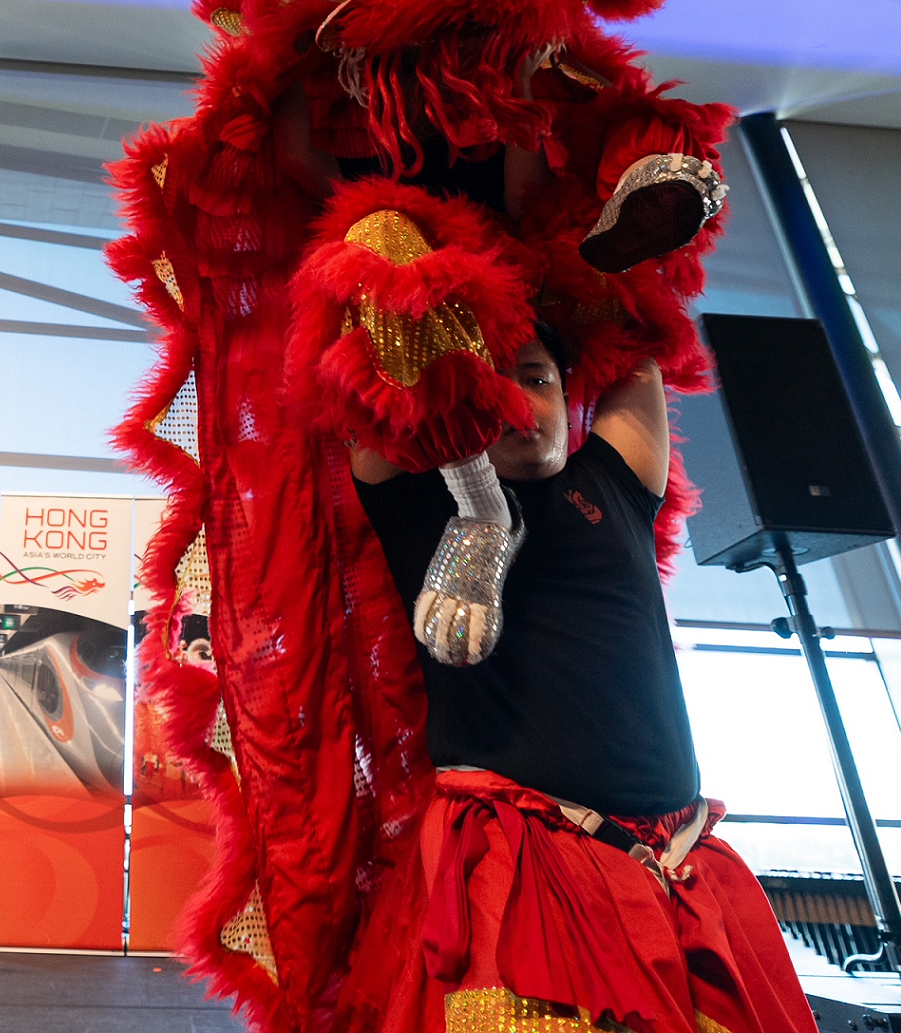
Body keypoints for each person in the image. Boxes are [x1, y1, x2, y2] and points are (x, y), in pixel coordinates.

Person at [346, 329, 815, 1033]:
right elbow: (381, 365)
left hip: (679, 860)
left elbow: (636, 331)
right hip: (523, 855)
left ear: (568, 396)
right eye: (488, 387)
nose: (516, 402)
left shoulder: (614, 480)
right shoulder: (416, 497)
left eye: (534, 380)